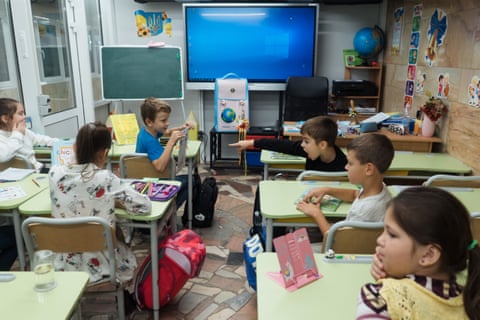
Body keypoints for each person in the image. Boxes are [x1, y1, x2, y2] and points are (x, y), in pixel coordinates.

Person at [49, 122, 151, 284]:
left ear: (74, 147)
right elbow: (144, 206)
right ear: (104, 153)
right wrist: (115, 202)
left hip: (64, 263)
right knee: (122, 242)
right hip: (102, 263)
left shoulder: (54, 173)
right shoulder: (106, 179)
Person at [357, 187, 480, 320]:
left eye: (392, 234)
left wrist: (389, 287)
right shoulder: (472, 303)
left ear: (428, 255)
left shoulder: (378, 299)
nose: (379, 240)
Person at [229, 116, 347, 237]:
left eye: (306, 141)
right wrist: (251, 143)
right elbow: (281, 145)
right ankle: (263, 233)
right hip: (309, 203)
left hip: (329, 213)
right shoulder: (310, 151)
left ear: (322, 145)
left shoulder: (345, 165)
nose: (302, 145)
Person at [296, 133, 394, 236]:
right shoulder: (379, 188)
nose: (346, 167)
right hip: (349, 243)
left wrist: (316, 214)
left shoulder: (365, 211)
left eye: (350, 163)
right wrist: (327, 190)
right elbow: (354, 195)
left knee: (287, 248)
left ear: (369, 169)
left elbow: (337, 243)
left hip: (337, 249)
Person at [136, 97, 193, 208]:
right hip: (154, 184)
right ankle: (168, 214)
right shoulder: (150, 141)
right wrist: (171, 142)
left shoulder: (146, 131)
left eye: (167, 119)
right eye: (163, 121)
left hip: (146, 182)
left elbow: (166, 132)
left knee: (188, 179)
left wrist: (181, 128)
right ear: (149, 121)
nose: (167, 123)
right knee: (192, 181)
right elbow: (160, 167)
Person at [0, 98, 58, 172]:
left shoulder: (25, 132)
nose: (24, 117)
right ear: (5, 118)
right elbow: (3, 156)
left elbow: (40, 139)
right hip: (15, 179)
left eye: (24, 113)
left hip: (37, 171)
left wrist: (59, 142)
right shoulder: (4, 137)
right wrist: (17, 134)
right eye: (20, 114)